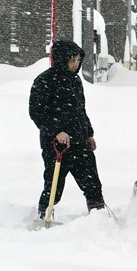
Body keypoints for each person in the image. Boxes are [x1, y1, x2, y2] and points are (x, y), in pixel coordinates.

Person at [29, 40, 105, 220]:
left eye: (78, 60)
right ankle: (45, 214)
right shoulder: (44, 81)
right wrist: (56, 131)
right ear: (62, 59)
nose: (76, 64)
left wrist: (89, 134)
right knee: (54, 183)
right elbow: (36, 112)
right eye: (72, 60)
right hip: (56, 144)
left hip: (79, 140)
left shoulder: (75, 81)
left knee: (91, 180)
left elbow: (80, 110)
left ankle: (98, 216)